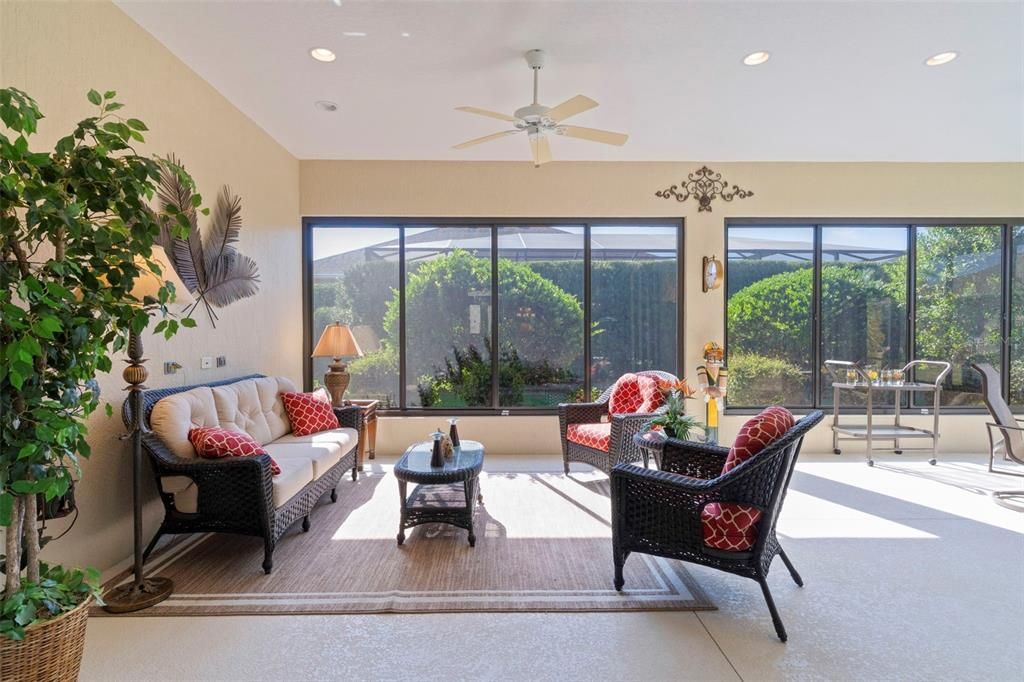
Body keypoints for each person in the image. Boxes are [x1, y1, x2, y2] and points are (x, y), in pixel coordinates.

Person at [696, 342, 728, 445]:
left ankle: (714, 445)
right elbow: (705, 389)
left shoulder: (723, 371)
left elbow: (722, 392)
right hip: (710, 402)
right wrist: (713, 391)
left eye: (717, 356)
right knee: (709, 427)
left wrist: (713, 391)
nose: (714, 359)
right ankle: (710, 444)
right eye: (711, 356)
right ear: (706, 357)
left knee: (714, 426)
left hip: (715, 403)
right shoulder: (702, 369)